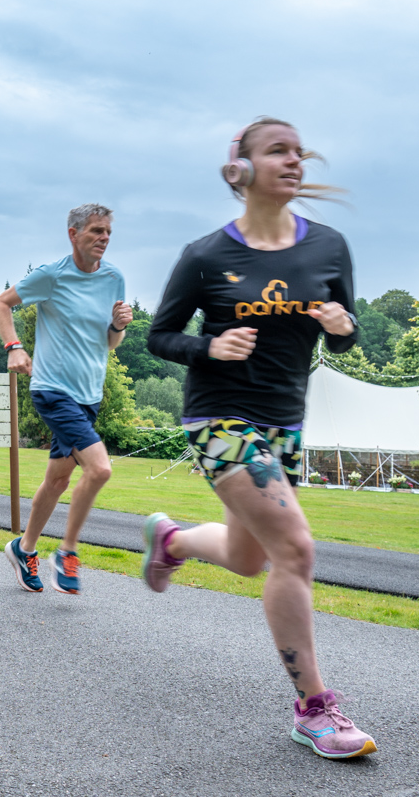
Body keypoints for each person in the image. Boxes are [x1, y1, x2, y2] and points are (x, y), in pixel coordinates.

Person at [139, 117, 375, 760]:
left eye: (300, 152)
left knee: (250, 557)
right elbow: (160, 336)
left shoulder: (328, 246)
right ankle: (314, 709)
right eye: (279, 151)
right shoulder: (207, 255)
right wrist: (210, 346)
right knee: (294, 548)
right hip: (220, 418)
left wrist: (342, 323)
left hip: (284, 421)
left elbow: (349, 334)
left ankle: (173, 538)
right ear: (240, 170)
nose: (295, 161)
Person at [0, 204, 131, 596]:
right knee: (99, 470)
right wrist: (14, 347)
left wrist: (118, 325)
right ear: (74, 234)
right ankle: (67, 552)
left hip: (90, 395)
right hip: (52, 390)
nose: (103, 238)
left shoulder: (114, 278)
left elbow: (110, 343)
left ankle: (24, 548)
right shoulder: (52, 275)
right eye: (95, 231)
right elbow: (1, 304)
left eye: (107, 232)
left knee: (57, 480)